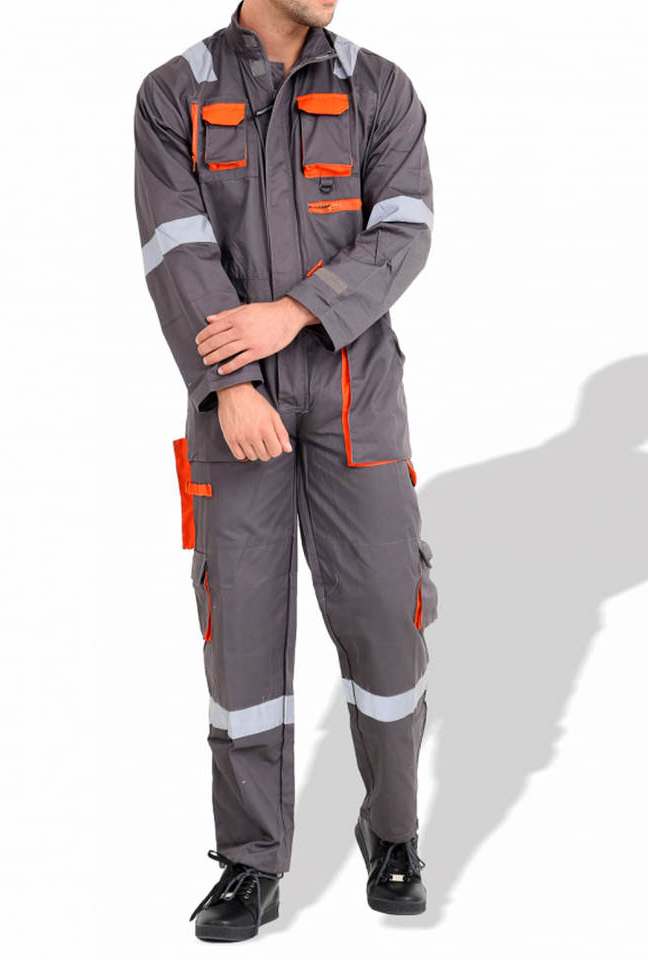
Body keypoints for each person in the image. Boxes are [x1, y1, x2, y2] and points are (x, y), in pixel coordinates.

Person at [133, 0, 438, 942]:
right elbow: (176, 253)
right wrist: (231, 383)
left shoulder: (379, 87)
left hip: (356, 393)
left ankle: (393, 832)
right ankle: (251, 861)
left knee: (387, 614)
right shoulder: (174, 94)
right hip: (236, 399)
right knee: (242, 628)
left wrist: (294, 313)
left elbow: (404, 234)